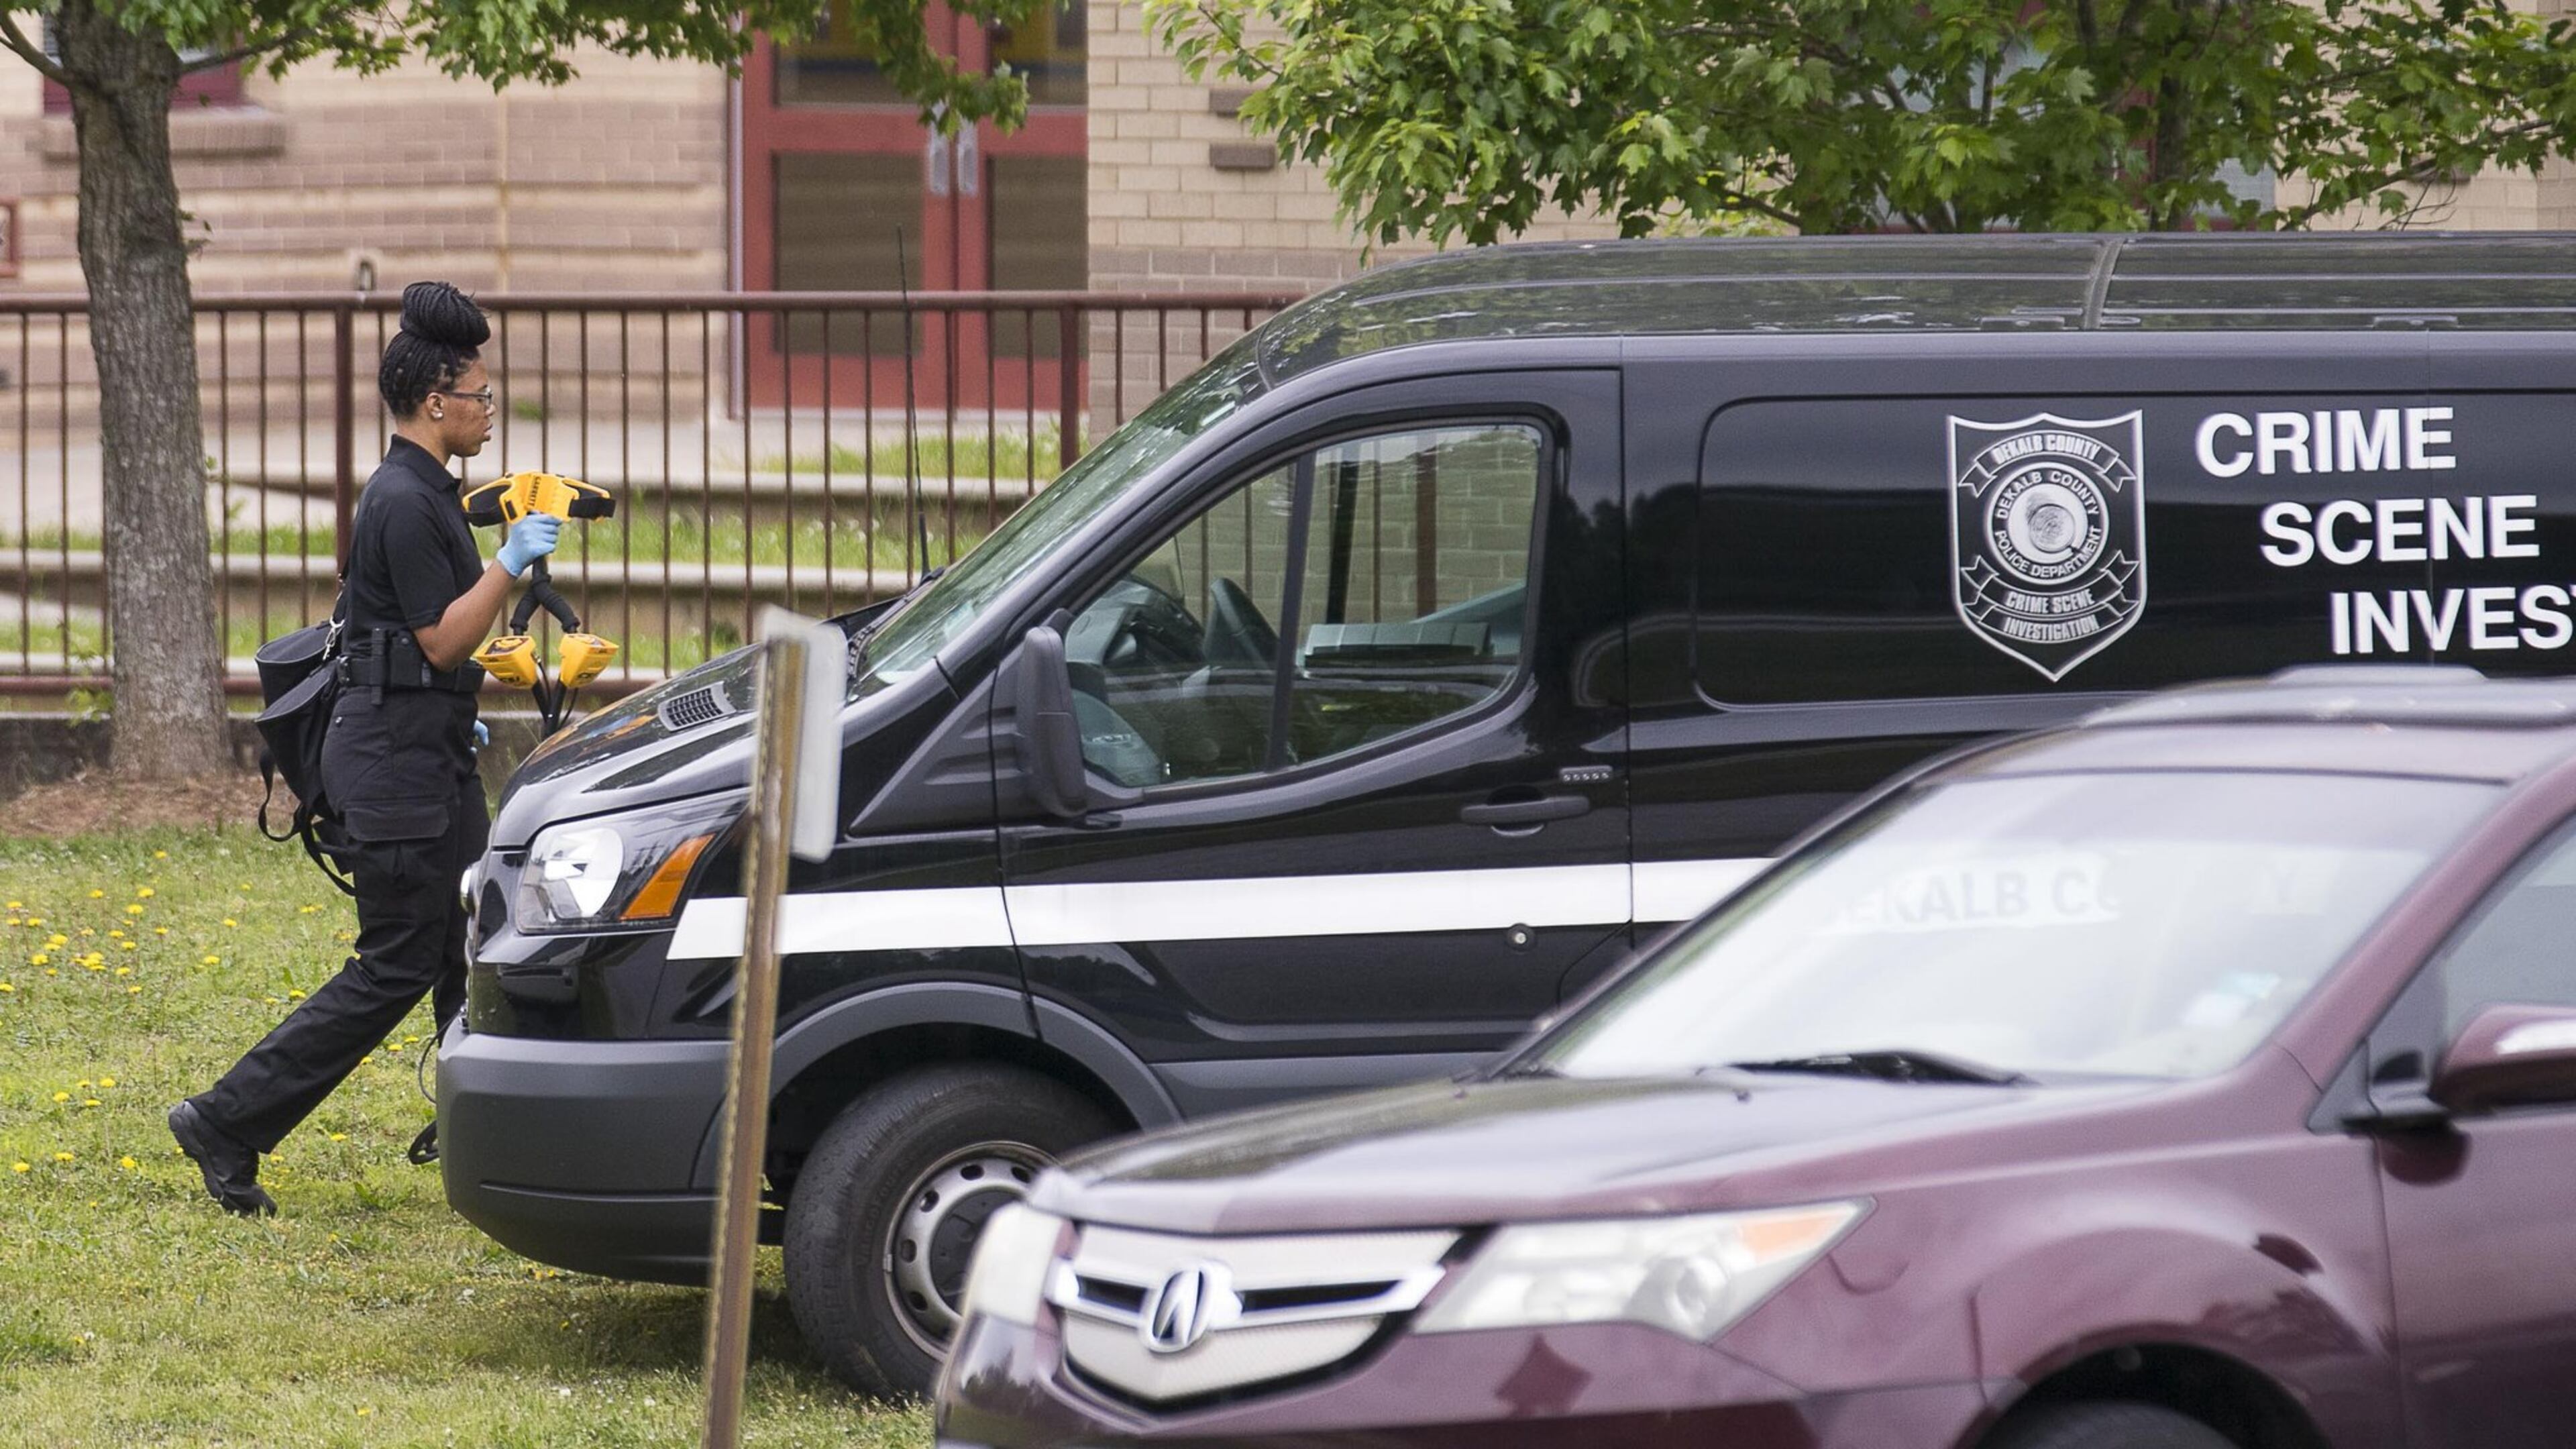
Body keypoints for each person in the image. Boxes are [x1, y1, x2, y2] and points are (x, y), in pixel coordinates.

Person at [170, 281, 561, 1216]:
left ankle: (482, 1134)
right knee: (397, 961)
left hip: (426, 754)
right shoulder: (403, 501)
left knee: (470, 942)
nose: (489, 409)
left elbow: (408, 645)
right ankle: (225, 1122)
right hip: (393, 774)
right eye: (479, 394)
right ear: (436, 401)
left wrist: (460, 694)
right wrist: (510, 563)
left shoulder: (428, 493)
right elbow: (437, 638)